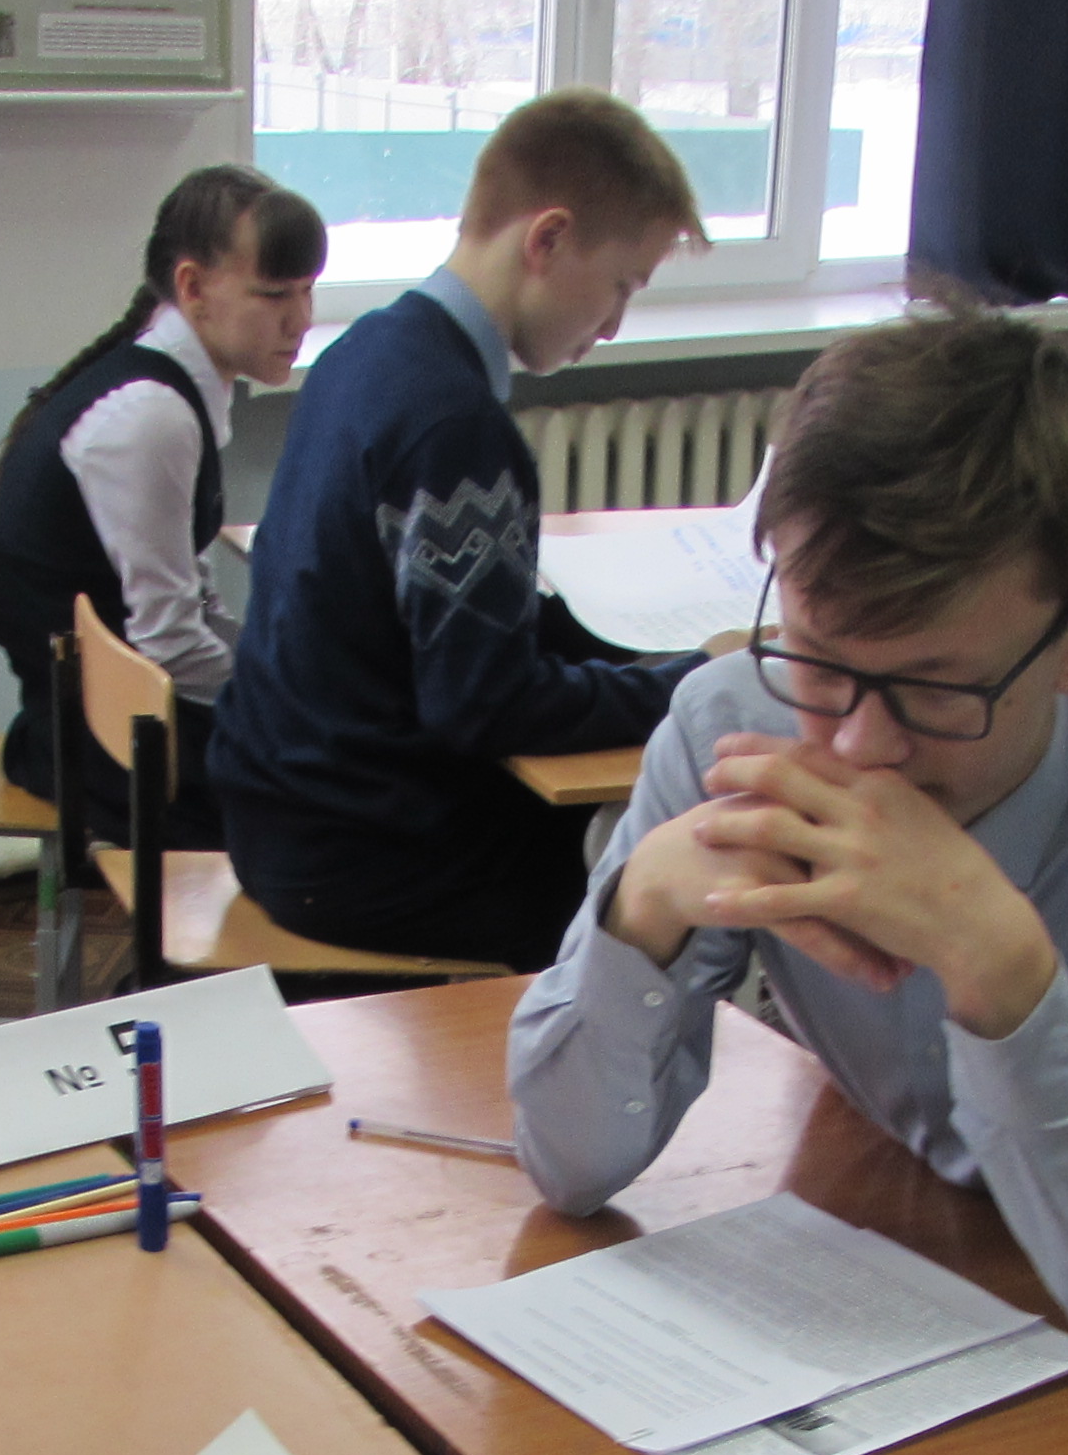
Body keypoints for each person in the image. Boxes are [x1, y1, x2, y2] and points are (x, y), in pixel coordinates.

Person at [510, 312, 1068, 1340]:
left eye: (939, 689)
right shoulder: (730, 726)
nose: (860, 748)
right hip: (897, 1256)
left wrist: (1002, 970)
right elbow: (568, 1166)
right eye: (817, 661)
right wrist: (644, 907)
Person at [212, 91, 711, 971]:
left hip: (277, 808)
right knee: (649, 881)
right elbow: (485, 703)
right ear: (547, 239)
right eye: (621, 286)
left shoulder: (368, 351)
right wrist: (692, 685)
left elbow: (475, 634)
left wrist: (639, 661)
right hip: (357, 855)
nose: (614, 325)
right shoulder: (455, 426)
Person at [0, 166, 323, 847]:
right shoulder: (152, 415)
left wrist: (283, 675)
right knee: (351, 796)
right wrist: (289, 698)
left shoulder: (179, 384)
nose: (300, 320)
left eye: (308, 290)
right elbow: (171, 644)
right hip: (98, 744)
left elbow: (193, 605)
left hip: (112, 714)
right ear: (193, 287)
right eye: (275, 294)